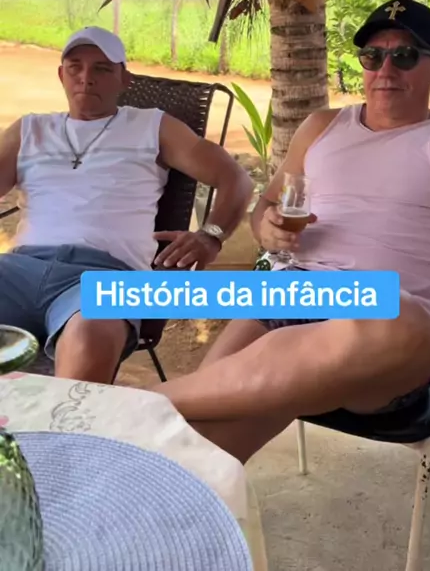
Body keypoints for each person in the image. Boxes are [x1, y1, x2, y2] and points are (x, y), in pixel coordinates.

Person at [152, 0, 430, 464]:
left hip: (385, 335)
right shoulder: (322, 126)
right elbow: (268, 206)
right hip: (292, 298)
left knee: (402, 318)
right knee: (194, 453)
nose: (386, 69)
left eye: (405, 56)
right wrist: (267, 229)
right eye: (373, 56)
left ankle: (133, 403)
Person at [0, 26, 253, 383]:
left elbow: (235, 179)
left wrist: (211, 235)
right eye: (75, 67)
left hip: (106, 277)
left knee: (89, 337)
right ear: (61, 75)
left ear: (124, 80)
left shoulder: (152, 126)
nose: (86, 77)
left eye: (102, 68)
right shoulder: (30, 130)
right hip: (17, 271)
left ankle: (67, 419)